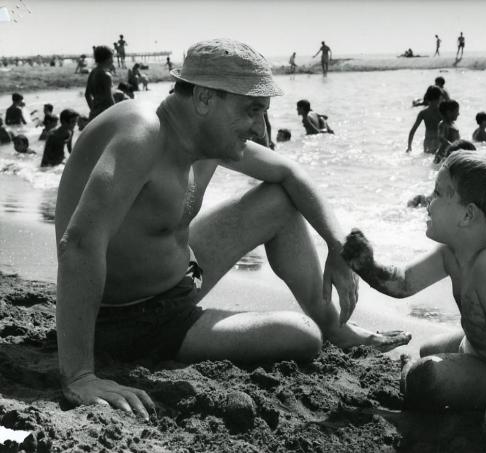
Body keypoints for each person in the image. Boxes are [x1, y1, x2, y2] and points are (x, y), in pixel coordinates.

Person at [53, 38, 409, 420]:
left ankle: (333, 325)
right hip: (133, 319)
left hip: (180, 277)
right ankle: (319, 328)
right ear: (205, 98)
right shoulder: (143, 133)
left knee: (279, 199)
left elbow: (290, 172)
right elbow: (79, 242)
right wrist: (80, 375)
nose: (260, 127)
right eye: (252, 110)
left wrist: (338, 246)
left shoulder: (204, 138)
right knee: (301, 335)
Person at [342, 151, 486, 450]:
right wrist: (367, 265)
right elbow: (403, 282)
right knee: (428, 350)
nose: (428, 199)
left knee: (424, 379)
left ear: (468, 215)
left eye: (438, 193)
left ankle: (462, 389)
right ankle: (440, 367)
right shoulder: (452, 252)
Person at [407, 140, 476, 208]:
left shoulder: (470, 190)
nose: (443, 163)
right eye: (445, 160)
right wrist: (419, 199)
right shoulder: (443, 182)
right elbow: (430, 200)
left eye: (448, 161)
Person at [406, 85, 443, 154]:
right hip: (439, 142)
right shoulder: (442, 112)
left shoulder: (423, 113)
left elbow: (413, 130)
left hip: (427, 142)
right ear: (439, 97)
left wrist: (409, 146)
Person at [84, 46, 115, 122]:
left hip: (94, 114)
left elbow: (87, 95)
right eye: (112, 58)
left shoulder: (93, 72)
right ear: (107, 59)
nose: (113, 61)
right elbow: (109, 98)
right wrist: (115, 113)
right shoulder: (106, 75)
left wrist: (93, 110)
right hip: (105, 114)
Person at [433, 100, 460, 164]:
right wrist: (453, 146)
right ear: (449, 113)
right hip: (442, 155)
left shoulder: (452, 124)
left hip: (450, 154)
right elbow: (441, 138)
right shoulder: (443, 124)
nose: (458, 114)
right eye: (457, 111)